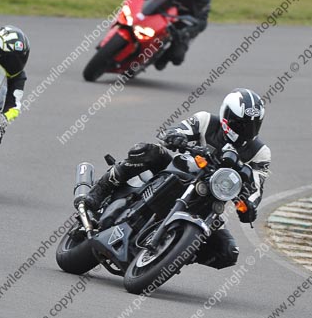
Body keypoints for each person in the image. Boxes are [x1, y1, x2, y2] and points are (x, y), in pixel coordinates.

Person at [78, 88, 270, 268]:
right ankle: (100, 190)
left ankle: (171, 253)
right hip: (182, 170)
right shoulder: (205, 121)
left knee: (228, 252)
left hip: (208, 201)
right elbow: (174, 130)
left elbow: (256, 188)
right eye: (241, 124)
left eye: (253, 125)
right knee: (148, 151)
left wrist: (249, 206)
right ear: (226, 116)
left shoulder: (260, 152)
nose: (246, 130)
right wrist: (176, 137)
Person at [122, 0, 210, 70]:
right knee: (141, 14)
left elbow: (202, 21)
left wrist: (187, 32)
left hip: (185, 21)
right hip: (166, 8)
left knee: (176, 57)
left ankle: (159, 56)